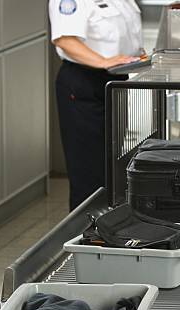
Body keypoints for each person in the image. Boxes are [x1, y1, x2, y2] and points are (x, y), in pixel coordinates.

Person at [49, 0, 143, 210]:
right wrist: (103, 61)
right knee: (88, 172)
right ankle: (84, 235)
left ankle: (108, 231)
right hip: (84, 82)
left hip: (114, 80)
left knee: (111, 168)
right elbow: (65, 40)